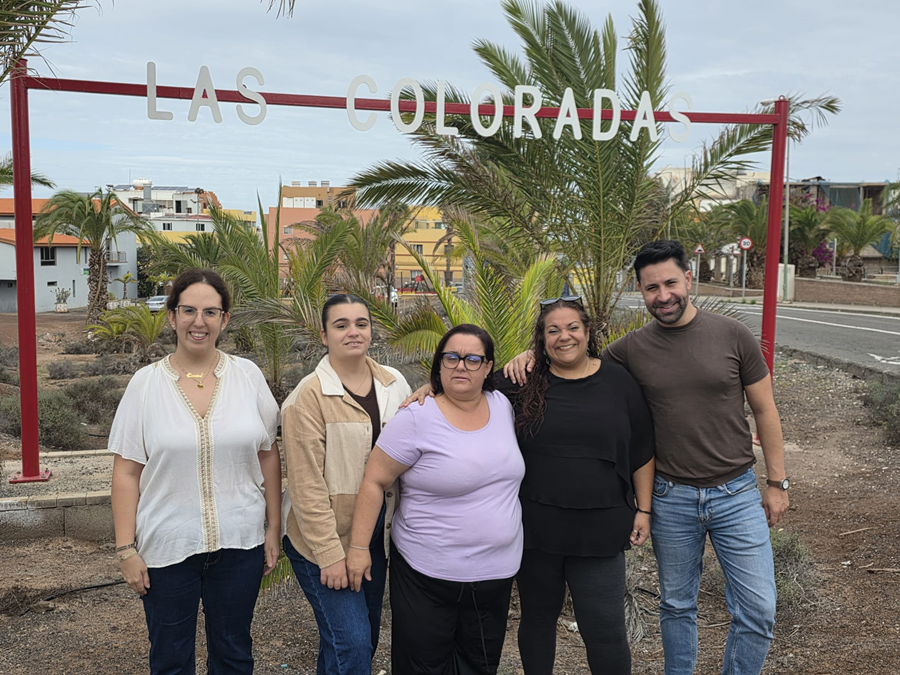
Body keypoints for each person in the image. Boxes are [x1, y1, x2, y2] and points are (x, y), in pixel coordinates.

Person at [507, 240, 790, 675]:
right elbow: (577, 362)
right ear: (640, 291)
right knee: (677, 605)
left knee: (759, 609)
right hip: (671, 496)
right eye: (651, 287)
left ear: (688, 279)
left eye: (670, 283)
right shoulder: (630, 351)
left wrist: (776, 482)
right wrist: (530, 354)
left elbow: (765, 409)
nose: (663, 295)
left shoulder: (732, 335)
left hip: (736, 492)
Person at [407, 301, 655, 674]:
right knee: (537, 621)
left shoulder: (619, 382)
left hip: (601, 529)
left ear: (588, 332)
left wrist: (645, 509)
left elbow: (642, 450)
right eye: (552, 330)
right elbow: (470, 383)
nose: (563, 336)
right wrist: (431, 385)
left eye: (572, 327)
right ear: (541, 339)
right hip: (536, 529)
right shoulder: (522, 381)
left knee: (604, 629)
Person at [110, 268, 282, 675]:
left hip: (240, 544)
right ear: (171, 316)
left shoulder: (248, 377)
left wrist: (273, 528)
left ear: (225, 319)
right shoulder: (145, 385)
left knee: (235, 653)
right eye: (188, 310)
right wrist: (125, 549)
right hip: (167, 546)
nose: (198, 322)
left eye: (210, 312)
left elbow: (268, 455)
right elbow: (126, 472)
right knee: (170, 658)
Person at [347, 324, 525, 675]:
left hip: (495, 575)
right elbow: (374, 480)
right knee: (423, 666)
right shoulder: (417, 417)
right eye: (452, 357)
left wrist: (531, 352)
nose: (461, 366)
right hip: (427, 574)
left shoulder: (503, 404)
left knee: (479, 664)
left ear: (489, 367)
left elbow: (561, 360)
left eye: (473, 359)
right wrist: (358, 548)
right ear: (439, 364)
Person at [280, 294, 411, 675]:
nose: (353, 332)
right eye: (341, 325)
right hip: (324, 541)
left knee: (357, 640)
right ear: (324, 335)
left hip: (375, 537)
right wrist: (330, 555)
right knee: (353, 645)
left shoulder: (394, 383)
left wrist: (425, 394)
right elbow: (306, 488)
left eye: (361, 323)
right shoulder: (307, 399)